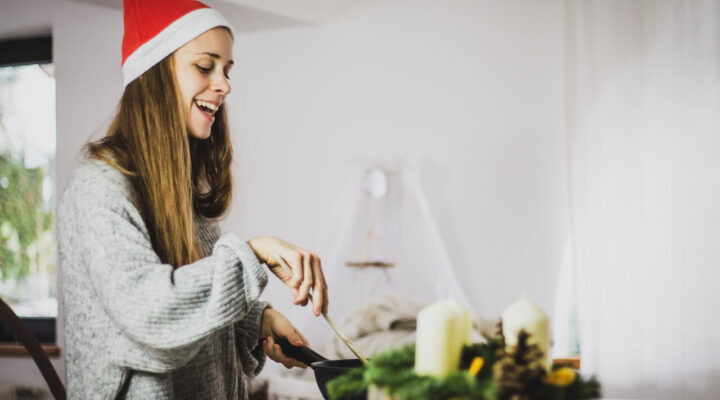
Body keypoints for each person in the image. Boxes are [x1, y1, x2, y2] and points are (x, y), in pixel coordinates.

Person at [57, 0, 328, 398]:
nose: (225, 85)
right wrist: (253, 253)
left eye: (227, 70)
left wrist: (256, 322)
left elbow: (189, 311)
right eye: (205, 66)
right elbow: (155, 319)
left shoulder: (181, 195)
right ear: (154, 74)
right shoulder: (97, 192)